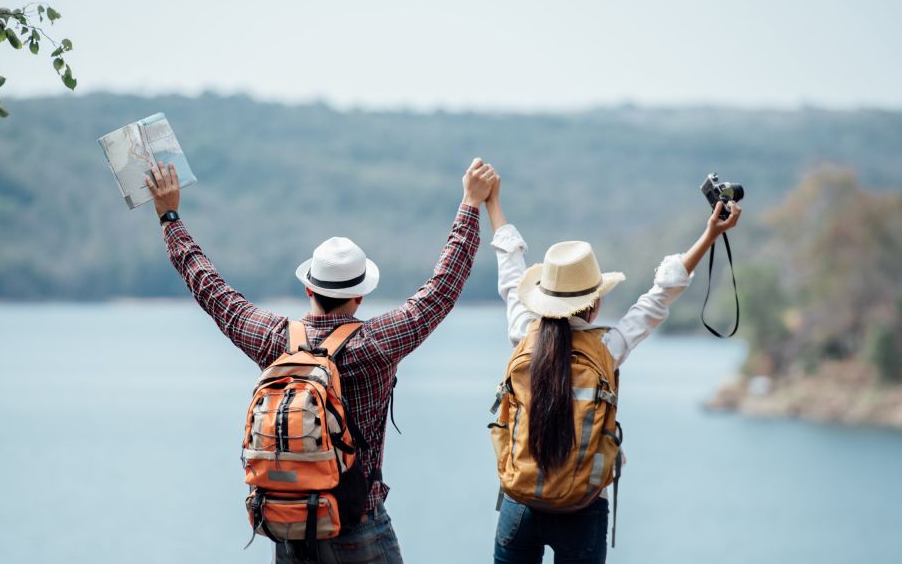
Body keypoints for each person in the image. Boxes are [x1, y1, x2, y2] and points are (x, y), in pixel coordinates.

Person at [144, 158, 499, 563]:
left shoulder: (276, 340)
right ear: (360, 295)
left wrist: (169, 217)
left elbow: (211, 289)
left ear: (309, 287)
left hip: (290, 525)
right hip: (357, 524)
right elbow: (441, 289)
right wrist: (470, 204)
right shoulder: (373, 345)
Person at [485, 178, 741, 564]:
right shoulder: (606, 348)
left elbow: (509, 270)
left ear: (544, 296)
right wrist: (709, 234)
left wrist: (493, 203)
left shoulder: (524, 334)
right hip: (581, 507)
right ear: (594, 305)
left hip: (520, 502)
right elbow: (660, 296)